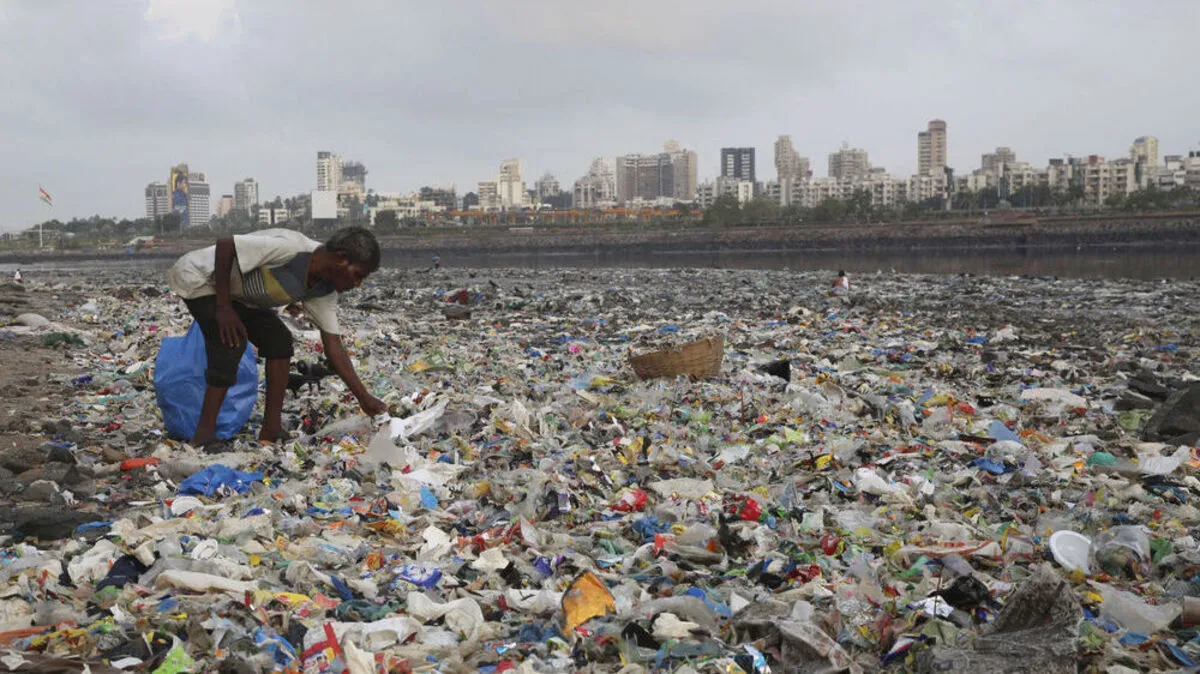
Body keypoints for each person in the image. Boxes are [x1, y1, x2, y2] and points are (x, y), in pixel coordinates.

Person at [167, 227, 387, 447]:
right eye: (358, 275)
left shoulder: (323, 290)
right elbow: (226, 246)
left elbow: (333, 345)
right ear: (341, 258)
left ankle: (271, 428)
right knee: (230, 342)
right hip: (200, 278)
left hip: (237, 296)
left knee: (279, 341)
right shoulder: (292, 249)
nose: (358, 284)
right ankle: (203, 434)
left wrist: (363, 397)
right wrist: (223, 307)